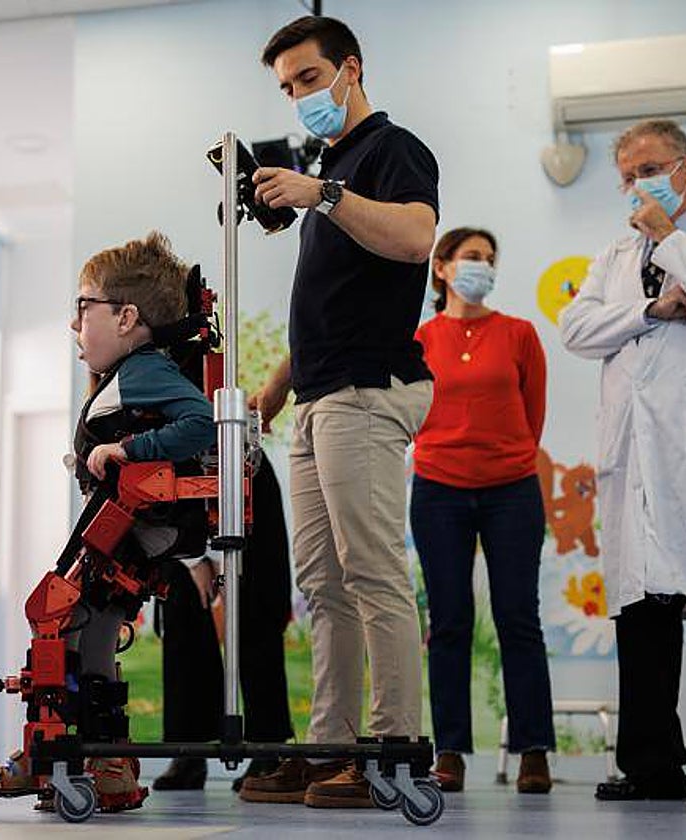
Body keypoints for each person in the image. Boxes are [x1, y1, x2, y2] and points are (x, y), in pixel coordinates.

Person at [241, 16, 438, 809]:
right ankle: (332, 748)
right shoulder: (332, 167)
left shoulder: (392, 151)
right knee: (323, 586)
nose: (300, 97)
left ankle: (392, 749)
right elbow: (329, 302)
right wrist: (276, 386)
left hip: (366, 389)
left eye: (310, 78)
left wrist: (323, 194)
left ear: (351, 69)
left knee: (373, 573)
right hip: (318, 395)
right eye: (288, 87)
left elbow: (417, 239)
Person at [0, 231, 216, 811]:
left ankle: (59, 754)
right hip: (131, 527)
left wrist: (129, 450)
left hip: (131, 524)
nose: (74, 324)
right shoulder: (131, 373)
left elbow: (201, 422)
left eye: (84, 307)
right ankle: (99, 763)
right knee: (90, 629)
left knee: (54, 614)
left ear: (126, 317)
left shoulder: (142, 371)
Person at [559, 118, 686, 802]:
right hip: (636, 456)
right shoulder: (616, 255)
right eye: (627, 176)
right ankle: (653, 767)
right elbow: (576, 328)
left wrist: (672, 241)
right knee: (645, 616)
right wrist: (652, 309)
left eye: (650, 170)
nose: (636, 185)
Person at [410, 227, 555, 794]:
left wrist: (503, 458)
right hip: (438, 488)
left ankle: (533, 750)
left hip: (511, 489)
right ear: (442, 267)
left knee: (519, 618)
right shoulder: (419, 339)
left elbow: (533, 415)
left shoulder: (519, 334)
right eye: (473, 257)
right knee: (449, 621)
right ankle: (449, 751)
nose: (484, 267)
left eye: (490, 259)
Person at [152, 455, 294, 792]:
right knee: (183, 611)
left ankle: (268, 746)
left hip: (245, 470)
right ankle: (188, 748)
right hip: (178, 488)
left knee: (257, 607)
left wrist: (224, 561)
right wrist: (196, 559)